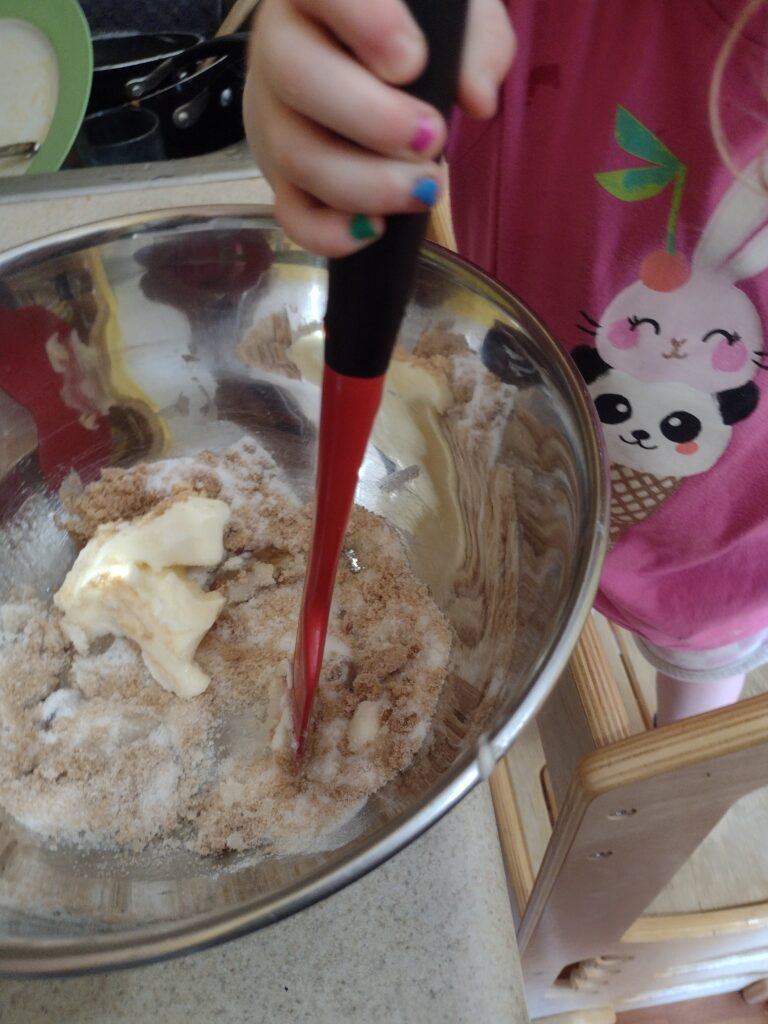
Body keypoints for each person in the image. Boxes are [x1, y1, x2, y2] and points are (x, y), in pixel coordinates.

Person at [244, 0, 768, 725]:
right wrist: (345, 74)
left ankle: (681, 723)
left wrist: (669, 776)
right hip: (509, 470)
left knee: (699, 682)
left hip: (716, 572)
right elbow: (398, 65)